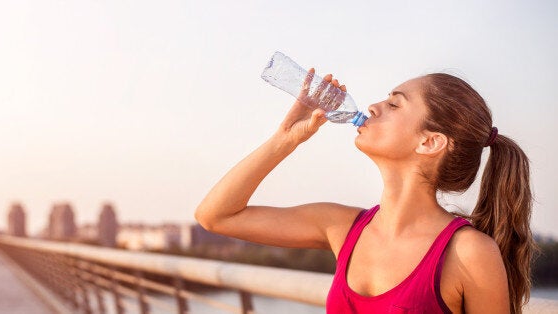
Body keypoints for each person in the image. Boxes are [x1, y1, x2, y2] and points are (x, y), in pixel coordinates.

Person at [195, 69, 535, 313]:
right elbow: (215, 216)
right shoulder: (341, 227)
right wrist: (285, 140)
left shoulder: (470, 253)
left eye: (395, 104)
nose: (373, 107)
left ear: (430, 141)